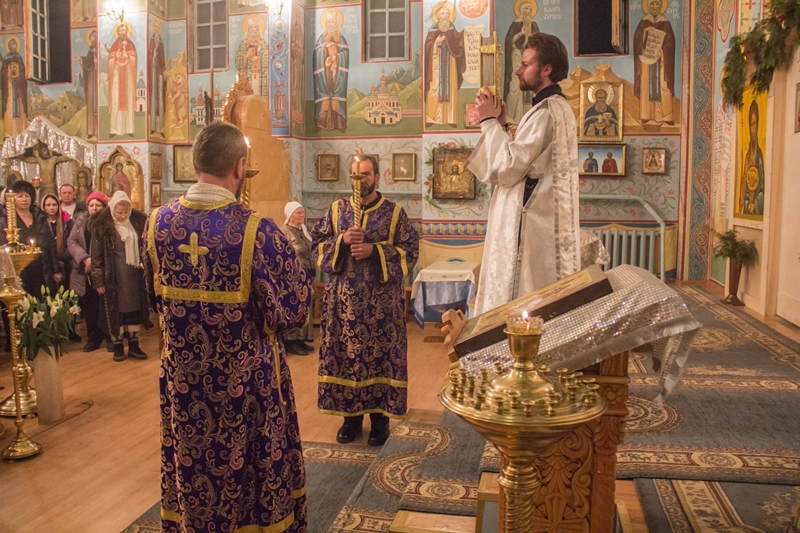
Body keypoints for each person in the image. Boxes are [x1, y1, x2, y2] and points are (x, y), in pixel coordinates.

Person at [142, 122, 310, 533]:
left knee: (194, 466)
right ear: (239, 167)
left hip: (184, 384)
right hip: (246, 387)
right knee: (253, 472)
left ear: (195, 163)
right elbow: (294, 308)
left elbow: (153, 301)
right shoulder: (256, 231)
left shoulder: (157, 225)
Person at [467, 32, 580, 316]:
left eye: (526, 64)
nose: (518, 70)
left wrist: (488, 122)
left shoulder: (544, 112)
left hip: (530, 225)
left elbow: (507, 169)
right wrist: (503, 128)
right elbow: (526, 161)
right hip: (542, 221)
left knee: (522, 303)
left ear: (546, 69)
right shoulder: (557, 107)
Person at [312, 154, 419, 446]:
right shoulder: (336, 211)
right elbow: (316, 245)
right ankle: (351, 420)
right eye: (356, 175)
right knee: (346, 359)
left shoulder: (394, 213)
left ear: (377, 177)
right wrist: (342, 241)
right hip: (343, 307)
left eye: (366, 174)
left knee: (381, 360)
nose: (360, 180)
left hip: (382, 309)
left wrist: (375, 251)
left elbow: (410, 251)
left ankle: (380, 421)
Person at [91, 191, 149, 362]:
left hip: (133, 274)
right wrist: (98, 280)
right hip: (113, 275)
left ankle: (134, 345)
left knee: (134, 307)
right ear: (112, 209)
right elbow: (96, 256)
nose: (123, 216)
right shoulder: (102, 225)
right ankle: (117, 346)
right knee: (115, 310)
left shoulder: (137, 222)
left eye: (126, 212)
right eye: (119, 213)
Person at [0, 180, 61, 297]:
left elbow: (50, 243)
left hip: (40, 267)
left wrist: (56, 269)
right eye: (20, 196)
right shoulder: (5, 220)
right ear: (12, 199)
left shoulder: (40, 217)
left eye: (27, 196)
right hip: (18, 270)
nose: (24, 199)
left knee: (41, 301)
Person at [68, 191, 109, 352]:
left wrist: (95, 263)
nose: (94, 208)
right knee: (90, 306)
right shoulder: (80, 220)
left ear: (104, 207)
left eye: (98, 205)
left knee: (105, 306)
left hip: (104, 270)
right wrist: (85, 259)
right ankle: (93, 338)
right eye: (91, 205)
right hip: (84, 271)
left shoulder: (109, 222)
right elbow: (71, 242)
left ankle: (110, 337)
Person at [633, 0, 676, 125]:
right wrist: (644, 32)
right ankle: (646, 115)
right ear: (648, 6)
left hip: (661, 60)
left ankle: (666, 116)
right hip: (647, 59)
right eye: (651, 4)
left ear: (661, 6)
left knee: (663, 86)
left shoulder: (665, 22)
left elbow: (671, 42)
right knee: (646, 85)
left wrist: (661, 52)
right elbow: (637, 39)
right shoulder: (643, 22)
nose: (654, 6)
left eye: (657, 4)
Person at [424, 1, 465, 126]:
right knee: (434, 88)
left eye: (447, 14)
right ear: (438, 16)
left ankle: (451, 119)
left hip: (450, 63)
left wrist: (465, 33)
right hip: (436, 62)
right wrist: (436, 42)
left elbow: (457, 43)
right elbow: (428, 47)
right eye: (442, 13)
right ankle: (432, 118)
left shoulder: (452, 29)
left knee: (450, 88)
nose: (445, 16)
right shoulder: (432, 30)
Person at [281, 201, 315, 355]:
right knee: (295, 307)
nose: (302, 215)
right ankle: (290, 341)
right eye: (298, 213)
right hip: (293, 276)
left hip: (308, 274)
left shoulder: (303, 230)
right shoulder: (284, 232)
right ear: (290, 215)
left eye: (302, 212)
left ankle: (301, 338)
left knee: (306, 307)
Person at [313, 9, 349, 132]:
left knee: (337, 94)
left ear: (337, 23)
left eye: (333, 22)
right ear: (325, 23)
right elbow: (316, 55)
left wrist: (337, 57)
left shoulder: (342, 39)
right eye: (328, 22)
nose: (331, 24)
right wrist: (324, 49)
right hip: (324, 74)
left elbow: (345, 55)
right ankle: (321, 122)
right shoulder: (321, 39)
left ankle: (339, 123)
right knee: (324, 93)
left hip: (337, 74)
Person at [504, 1, 539, 123]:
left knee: (530, 83)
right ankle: (514, 115)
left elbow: (540, 44)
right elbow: (509, 41)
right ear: (522, 10)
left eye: (530, 9)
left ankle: (529, 115)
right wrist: (521, 33)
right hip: (516, 55)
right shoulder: (516, 23)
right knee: (515, 85)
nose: (529, 11)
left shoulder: (533, 24)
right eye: (527, 9)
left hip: (530, 60)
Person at [108, 21, 138, 137]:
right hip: (116, 75)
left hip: (127, 76)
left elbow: (134, 58)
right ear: (117, 32)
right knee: (115, 101)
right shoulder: (114, 46)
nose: (122, 32)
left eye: (124, 30)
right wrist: (115, 57)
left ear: (127, 31)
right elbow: (110, 60)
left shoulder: (130, 44)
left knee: (128, 100)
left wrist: (128, 56)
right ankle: (114, 130)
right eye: (120, 30)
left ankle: (129, 129)